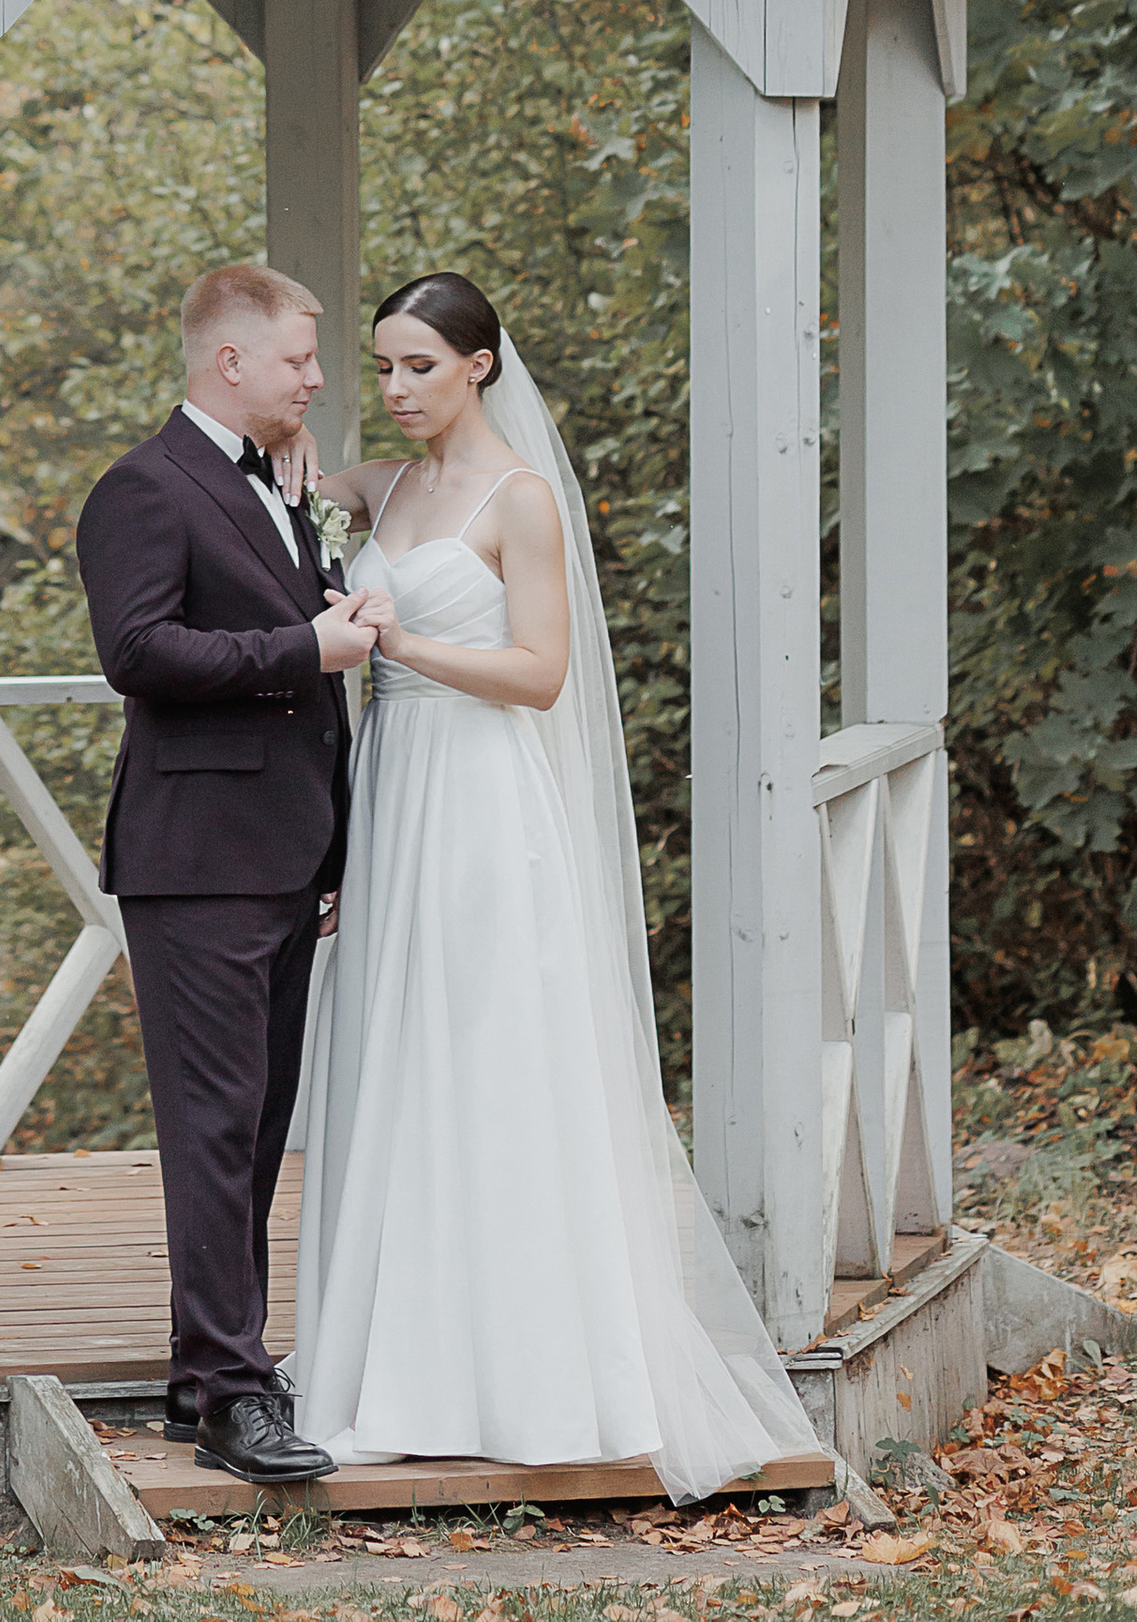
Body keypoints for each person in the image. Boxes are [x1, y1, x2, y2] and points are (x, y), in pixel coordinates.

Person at [279, 271, 809, 1500]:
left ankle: (526, 1375)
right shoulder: (385, 486)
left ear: (479, 365)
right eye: (384, 366)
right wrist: (292, 447)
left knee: (488, 1056)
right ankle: (397, 1366)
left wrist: (398, 642)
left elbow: (539, 673)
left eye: (420, 365)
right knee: (397, 1055)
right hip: (393, 795)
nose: (396, 387)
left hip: (478, 795)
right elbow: (293, 488)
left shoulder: (519, 500)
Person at [74, 264, 386, 1488]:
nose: (317, 378)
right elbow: (138, 651)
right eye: (300, 358)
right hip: (195, 858)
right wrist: (304, 643)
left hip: (284, 852)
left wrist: (332, 845)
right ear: (230, 361)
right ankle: (230, 1395)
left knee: (252, 1129)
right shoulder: (143, 487)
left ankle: (204, 1376)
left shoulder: (279, 482)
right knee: (213, 1128)